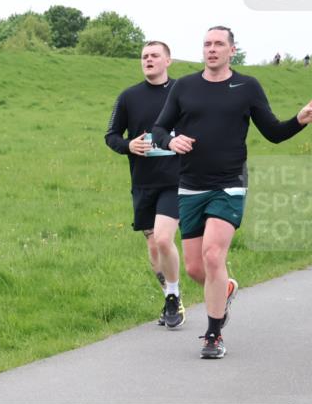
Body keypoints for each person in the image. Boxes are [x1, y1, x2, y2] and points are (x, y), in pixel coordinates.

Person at [152, 26, 312, 358]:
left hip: (229, 183)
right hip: (190, 185)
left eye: (218, 44)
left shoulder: (247, 87)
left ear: (231, 50)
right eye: (207, 44)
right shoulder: (185, 86)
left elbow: (273, 133)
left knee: (213, 255)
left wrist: (299, 119)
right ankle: (224, 289)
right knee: (196, 268)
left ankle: (213, 335)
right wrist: (170, 141)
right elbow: (158, 129)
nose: (211, 49)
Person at [105, 41, 185, 329]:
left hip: (175, 181)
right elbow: (111, 135)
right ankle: (170, 297)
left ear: (168, 60)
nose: (148, 60)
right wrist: (129, 145)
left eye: (154, 56)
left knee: (164, 239)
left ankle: (174, 297)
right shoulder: (129, 97)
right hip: (143, 182)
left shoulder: (183, 92)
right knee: (154, 248)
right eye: (144, 56)